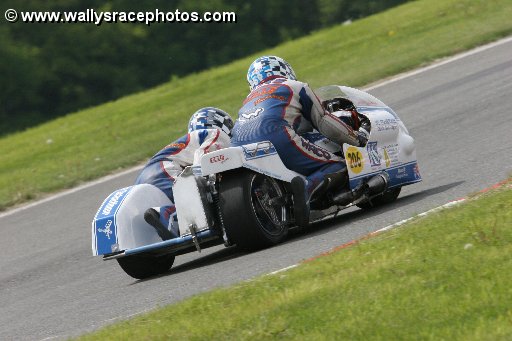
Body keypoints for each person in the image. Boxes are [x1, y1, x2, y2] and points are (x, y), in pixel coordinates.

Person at [230, 56, 368, 228]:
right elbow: (324, 122)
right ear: (285, 70)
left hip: (238, 145)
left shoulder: (248, 100)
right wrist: (355, 138)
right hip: (277, 136)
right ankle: (305, 187)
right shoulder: (296, 86)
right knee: (341, 164)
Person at [135, 107, 234, 240]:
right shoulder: (214, 134)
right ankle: (168, 215)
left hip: (144, 179)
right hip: (165, 171)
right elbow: (204, 159)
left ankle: (165, 217)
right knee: (201, 194)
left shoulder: (190, 140)